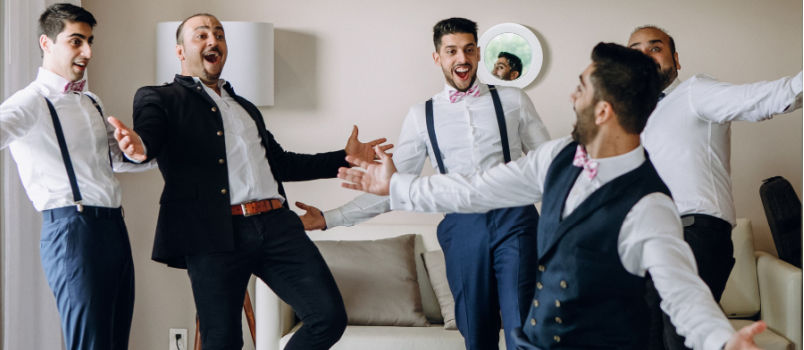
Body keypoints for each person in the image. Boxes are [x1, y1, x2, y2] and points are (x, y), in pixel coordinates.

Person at [337, 42, 767, 350]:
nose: (571, 95)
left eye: (581, 87)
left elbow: (683, 292)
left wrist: (724, 340)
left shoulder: (650, 206)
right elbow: (476, 189)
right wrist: (396, 186)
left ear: (603, 111)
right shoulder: (559, 155)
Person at [109, 13, 390, 350]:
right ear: (181, 50)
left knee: (328, 318)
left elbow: (281, 163)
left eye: (219, 34)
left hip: (276, 226)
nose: (213, 41)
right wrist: (137, 149)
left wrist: (345, 158)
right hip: (211, 234)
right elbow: (148, 139)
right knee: (223, 341)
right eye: (201, 35)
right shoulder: (159, 97)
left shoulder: (244, 107)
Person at [295, 17, 550, 350]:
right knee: (476, 331)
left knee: (523, 328)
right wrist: (330, 218)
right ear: (438, 57)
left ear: (478, 53)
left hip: (515, 220)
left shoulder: (514, 100)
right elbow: (392, 187)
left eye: (469, 49)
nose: (462, 58)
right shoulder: (422, 115)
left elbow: (550, 165)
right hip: (461, 227)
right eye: (452, 51)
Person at [627, 25, 802, 350]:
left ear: (676, 59)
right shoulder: (634, 122)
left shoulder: (695, 92)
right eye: (635, 52)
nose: (645, 57)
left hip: (694, 233)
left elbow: (762, 99)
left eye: (655, 48)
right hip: (652, 242)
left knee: (680, 340)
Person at [0, 3, 154, 349]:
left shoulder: (91, 101)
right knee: (90, 343)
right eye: (76, 41)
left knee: (115, 341)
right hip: (72, 232)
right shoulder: (29, 102)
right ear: (46, 43)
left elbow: (112, 161)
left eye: (89, 41)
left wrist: (140, 151)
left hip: (113, 227)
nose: (88, 52)